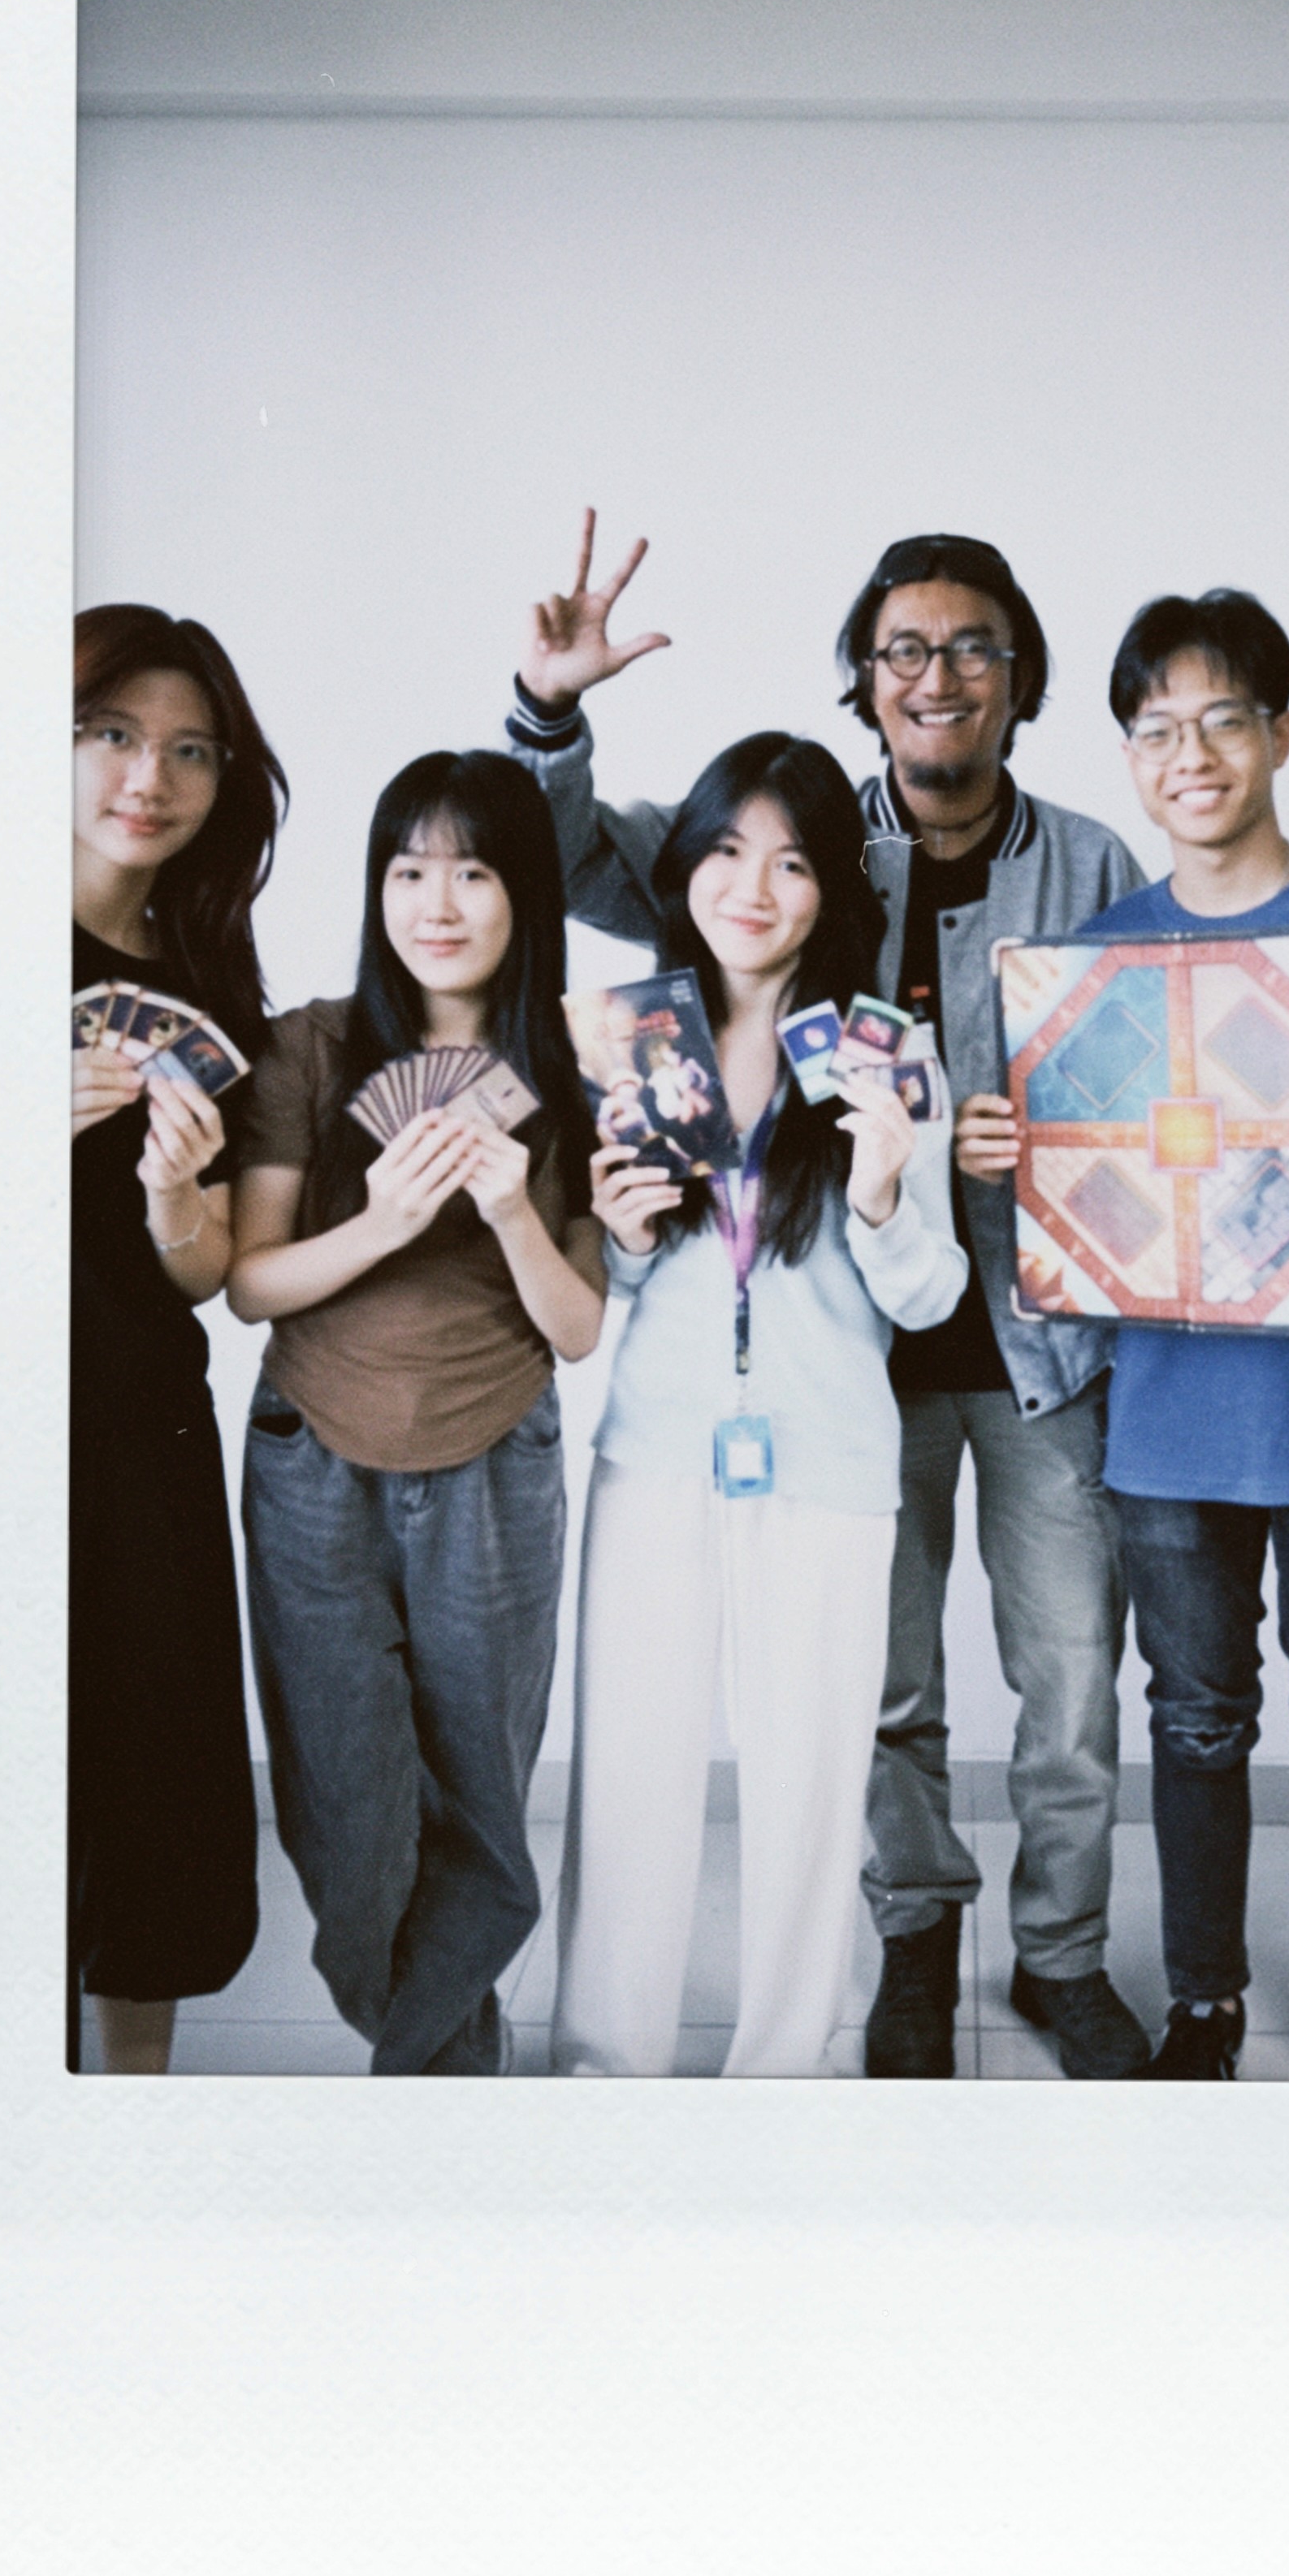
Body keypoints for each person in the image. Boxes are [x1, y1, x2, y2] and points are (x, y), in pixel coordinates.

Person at [506, 517, 1149, 2081]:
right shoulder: (793, 845)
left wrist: (983, 1153)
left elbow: (1146, 1067)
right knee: (880, 1695)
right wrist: (547, 714)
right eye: (903, 649)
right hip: (794, 1387)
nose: (937, 676)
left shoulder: (1085, 865)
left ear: (1021, 678)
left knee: (1063, 1670)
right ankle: (913, 1936)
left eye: (973, 646)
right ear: (864, 679)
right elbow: (579, 851)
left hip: (1022, 1332)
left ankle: (1053, 1955)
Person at [965, 589, 1289, 2080]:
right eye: (1154, 729)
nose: (1189, 753)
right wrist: (1010, 1150)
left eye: (1221, 719)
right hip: (1166, 1416)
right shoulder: (1094, 960)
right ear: (1130, 757)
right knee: (1190, 1722)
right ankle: (1205, 2001)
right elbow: (1087, 1200)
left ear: (1280, 734)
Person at [552, 734, 969, 2078]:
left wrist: (885, 1190)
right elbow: (618, 1281)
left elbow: (927, 1295)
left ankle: (785, 2069)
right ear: (684, 868)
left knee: (806, 1789)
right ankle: (603, 2064)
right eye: (728, 849)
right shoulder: (631, 1035)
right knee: (628, 1782)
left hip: (829, 1469)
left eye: (793, 861)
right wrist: (617, 1234)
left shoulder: (883, 1049)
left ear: (831, 890)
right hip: (657, 1455)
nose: (754, 884)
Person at [228, 754, 605, 2075]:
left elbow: (575, 1324)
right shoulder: (315, 1044)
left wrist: (507, 1206)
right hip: (312, 1454)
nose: (435, 901)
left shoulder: (572, 1062)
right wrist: (382, 1220)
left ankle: (427, 2089)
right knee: (345, 1807)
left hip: (497, 1454)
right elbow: (250, 1280)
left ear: (524, 892)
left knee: (484, 1807)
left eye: (473, 868)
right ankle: (438, 2049)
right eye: (407, 868)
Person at [70, 603, 287, 2074]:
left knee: (151, 1784)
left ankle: (127, 2112)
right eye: (110, 733)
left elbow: (206, 1273)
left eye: (189, 748)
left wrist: (170, 1203)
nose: (149, 774)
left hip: (140, 1415)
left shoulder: (211, 970)